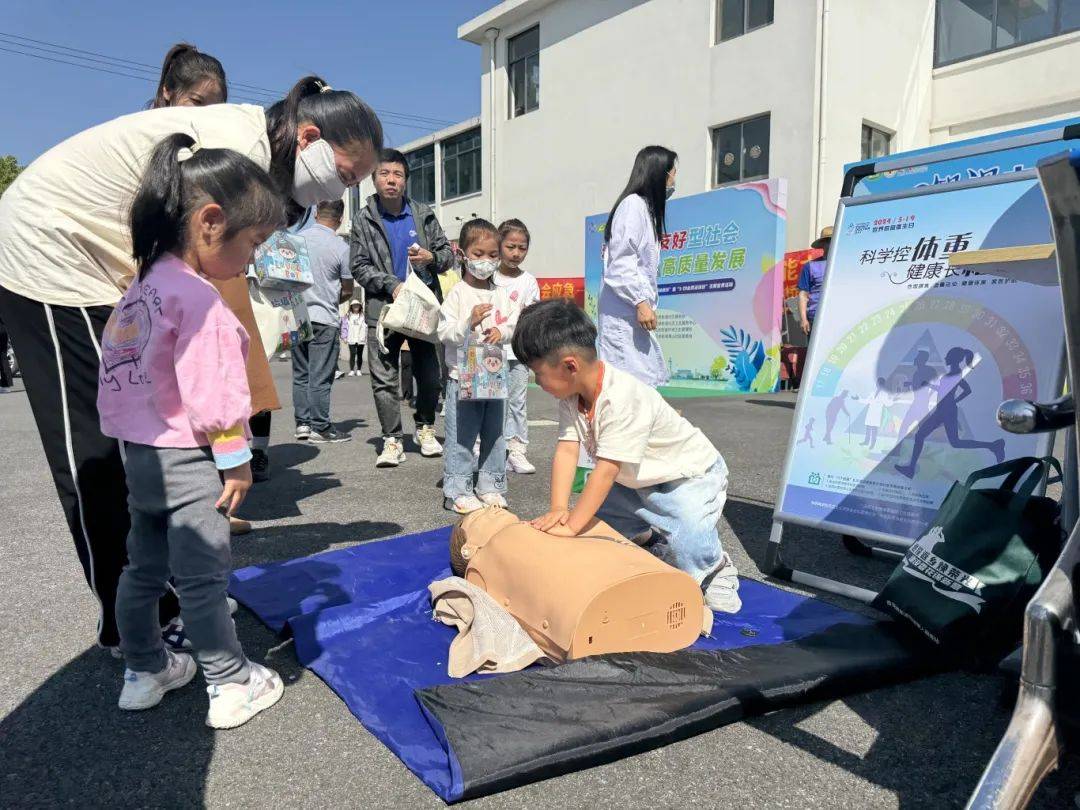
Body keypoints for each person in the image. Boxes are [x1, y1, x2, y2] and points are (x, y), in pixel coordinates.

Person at [0, 74, 382, 652]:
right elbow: (210, 356)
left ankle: (166, 597)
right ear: (309, 137)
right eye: (347, 175)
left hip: (113, 270)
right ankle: (136, 629)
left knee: (148, 439)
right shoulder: (241, 152)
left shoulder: (256, 153)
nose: (343, 189)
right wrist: (233, 453)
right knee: (98, 450)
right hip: (52, 253)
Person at [100, 135, 284, 727]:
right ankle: (231, 682)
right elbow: (213, 391)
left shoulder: (142, 288)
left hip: (140, 455)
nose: (253, 258)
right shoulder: (199, 298)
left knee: (142, 569)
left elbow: (118, 373)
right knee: (203, 575)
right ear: (211, 223)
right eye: (253, 242)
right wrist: (236, 458)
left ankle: (145, 670)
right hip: (188, 455)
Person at [513, 298, 741, 613]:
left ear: (570, 366)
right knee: (595, 535)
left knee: (687, 540)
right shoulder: (571, 395)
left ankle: (715, 568)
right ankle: (646, 535)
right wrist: (559, 509)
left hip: (687, 478)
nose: (536, 382)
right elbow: (567, 449)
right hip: (633, 482)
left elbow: (605, 470)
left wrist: (571, 525)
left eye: (537, 374)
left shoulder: (622, 398)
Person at [351, 148, 454, 467]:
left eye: (397, 174)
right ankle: (392, 439)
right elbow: (358, 265)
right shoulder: (364, 218)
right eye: (384, 174)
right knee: (383, 376)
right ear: (374, 179)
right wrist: (390, 284)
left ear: (406, 180)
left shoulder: (423, 213)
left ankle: (425, 428)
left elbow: (448, 255)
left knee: (429, 373)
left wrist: (432, 258)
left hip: (422, 307)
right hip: (382, 310)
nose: (391, 180)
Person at [437, 219, 519, 514]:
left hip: (494, 373)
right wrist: (467, 322)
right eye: (478, 254)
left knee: (495, 432)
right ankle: (457, 489)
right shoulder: (457, 293)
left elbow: (513, 322)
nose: (486, 261)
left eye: (492, 255)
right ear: (463, 254)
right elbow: (444, 332)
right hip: (463, 375)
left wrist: (503, 332)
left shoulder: (501, 292)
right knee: (462, 434)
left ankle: (491, 485)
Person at [598, 145, 677, 388]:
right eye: (673, 172)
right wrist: (641, 303)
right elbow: (621, 265)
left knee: (639, 385)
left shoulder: (646, 211)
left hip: (631, 314)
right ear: (659, 173)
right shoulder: (633, 206)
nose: (674, 179)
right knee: (626, 386)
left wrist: (645, 304)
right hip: (624, 314)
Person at [292, 200, 353, 443]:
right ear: (340, 218)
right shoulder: (341, 247)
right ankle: (321, 426)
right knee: (320, 376)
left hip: (298, 316)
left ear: (315, 213)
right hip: (325, 317)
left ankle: (302, 424)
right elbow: (348, 289)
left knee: (301, 374)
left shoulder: (297, 240)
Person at [894, 347, 1006, 479]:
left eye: (947, 356)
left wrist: (951, 399)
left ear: (952, 359)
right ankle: (911, 469)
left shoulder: (956, 373)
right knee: (921, 435)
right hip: (943, 410)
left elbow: (962, 390)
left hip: (947, 411)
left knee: (954, 442)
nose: (945, 358)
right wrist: (934, 388)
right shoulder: (953, 373)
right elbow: (951, 390)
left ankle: (993, 445)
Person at [494, 219, 541, 474]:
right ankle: (490, 447)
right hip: (489, 351)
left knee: (517, 401)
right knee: (492, 401)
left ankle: (517, 449)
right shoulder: (488, 276)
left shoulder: (528, 281)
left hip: (518, 351)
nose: (516, 253)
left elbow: (532, 316)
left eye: (522, 248)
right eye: (511, 246)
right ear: (499, 245)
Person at [149, 43, 226, 109]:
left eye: (215, 108)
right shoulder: (141, 125)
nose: (205, 113)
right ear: (168, 91)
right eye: (197, 101)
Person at [798, 227, 832, 336]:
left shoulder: (846, 264)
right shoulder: (810, 266)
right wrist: (803, 319)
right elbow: (803, 295)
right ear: (823, 244)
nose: (830, 243)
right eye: (827, 241)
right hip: (815, 318)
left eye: (833, 240)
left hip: (839, 316)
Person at [344, 298, 365, 375]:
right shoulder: (348, 316)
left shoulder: (363, 316)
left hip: (360, 338)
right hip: (351, 338)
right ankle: (352, 370)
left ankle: (359, 370)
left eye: (357, 305)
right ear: (351, 307)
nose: (356, 307)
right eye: (354, 305)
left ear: (360, 307)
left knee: (360, 354)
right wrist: (344, 337)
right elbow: (344, 327)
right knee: (352, 354)